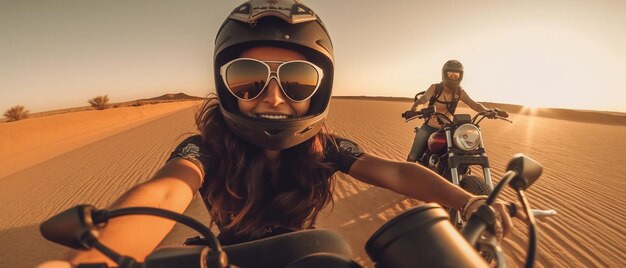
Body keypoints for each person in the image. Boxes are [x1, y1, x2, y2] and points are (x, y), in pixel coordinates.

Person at [39, 1, 520, 267]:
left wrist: (468, 201)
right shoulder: (206, 147)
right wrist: (86, 260)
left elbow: (397, 172)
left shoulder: (325, 148)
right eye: (248, 77)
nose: (272, 97)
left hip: (304, 258)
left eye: (297, 81)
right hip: (224, 256)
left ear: (322, 87)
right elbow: (166, 191)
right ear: (225, 86)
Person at [406, 60, 496, 162]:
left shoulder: (459, 92)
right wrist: (414, 110)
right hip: (429, 127)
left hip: (448, 129)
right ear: (444, 74)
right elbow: (423, 100)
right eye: (450, 74)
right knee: (413, 157)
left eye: (456, 75)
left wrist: (488, 111)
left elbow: (474, 104)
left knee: (462, 153)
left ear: (461, 76)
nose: (453, 77)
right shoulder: (435, 88)